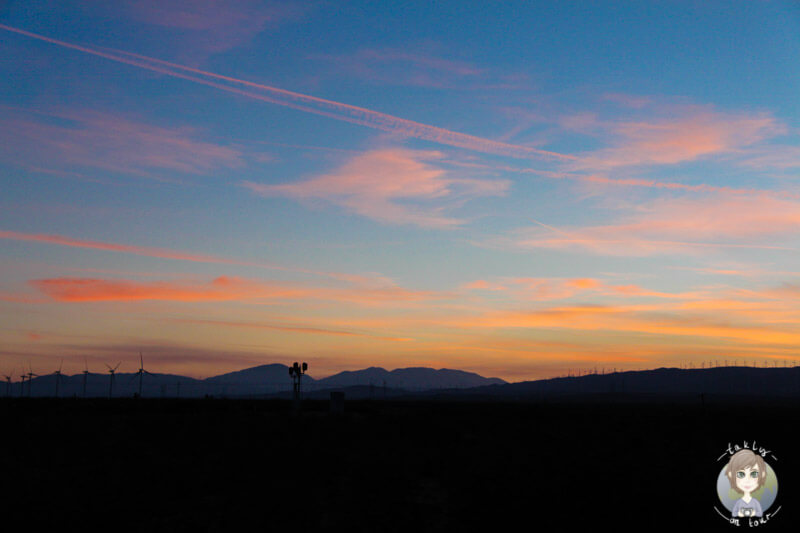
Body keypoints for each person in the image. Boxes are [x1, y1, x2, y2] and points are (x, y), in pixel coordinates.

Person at [725, 449, 767, 517]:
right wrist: (739, 514)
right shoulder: (739, 502)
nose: (747, 480)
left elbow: (760, 514)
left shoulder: (755, 502)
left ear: (762, 475)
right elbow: (733, 514)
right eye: (741, 474)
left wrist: (754, 513)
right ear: (731, 475)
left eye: (754, 474)